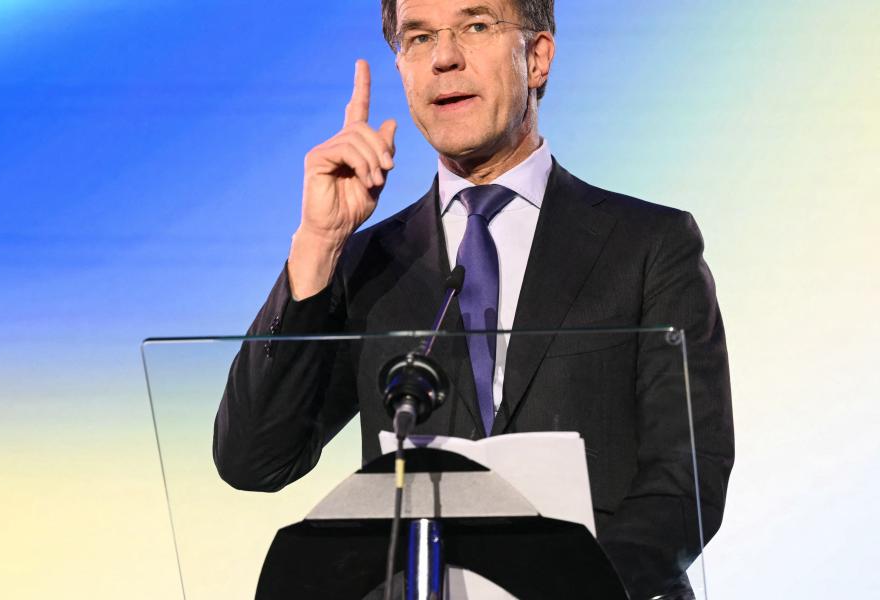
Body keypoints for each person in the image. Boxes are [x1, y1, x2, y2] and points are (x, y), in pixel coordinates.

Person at [214, 1, 734, 597]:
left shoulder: (648, 245)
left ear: (537, 57)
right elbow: (255, 460)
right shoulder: (368, 263)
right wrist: (317, 243)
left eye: (476, 26)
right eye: (418, 38)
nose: (443, 58)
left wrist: (567, 588)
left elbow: (688, 480)